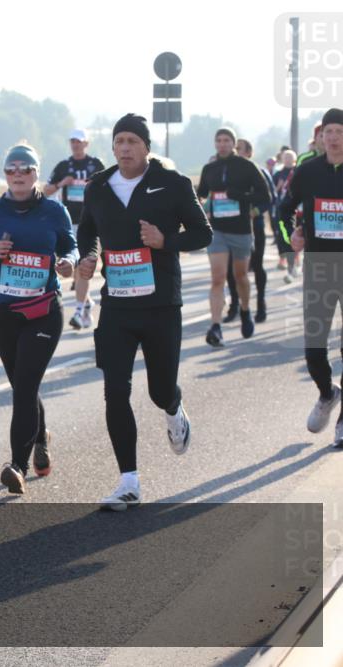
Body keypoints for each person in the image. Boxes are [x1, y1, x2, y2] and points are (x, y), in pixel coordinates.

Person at [77, 113, 212, 511]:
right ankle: (129, 481)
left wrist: (164, 240)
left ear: (147, 147)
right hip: (117, 306)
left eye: (133, 141)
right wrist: (88, 255)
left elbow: (203, 234)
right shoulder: (98, 186)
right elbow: (87, 228)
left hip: (160, 306)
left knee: (159, 390)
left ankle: (173, 409)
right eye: (119, 141)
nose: (124, 148)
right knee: (115, 390)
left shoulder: (172, 184)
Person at [0, 144, 76, 493]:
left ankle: (17, 466)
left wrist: (68, 260)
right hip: (6, 314)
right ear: (5, 174)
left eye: (26, 168)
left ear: (37, 172)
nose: (19, 174)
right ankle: (40, 437)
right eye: (12, 169)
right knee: (23, 386)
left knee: (24, 387)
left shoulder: (54, 211)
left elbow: (71, 245)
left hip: (44, 311)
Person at [279, 107, 343, 449]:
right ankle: (327, 392)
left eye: (339, 131)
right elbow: (282, 210)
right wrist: (292, 235)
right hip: (318, 267)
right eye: (328, 131)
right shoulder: (306, 172)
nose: (333, 137)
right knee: (313, 350)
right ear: (321, 137)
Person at [197, 127, 271, 347]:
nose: (222, 144)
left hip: (240, 231)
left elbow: (264, 196)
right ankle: (216, 326)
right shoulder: (209, 168)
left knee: (240, 277)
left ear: (233, 143)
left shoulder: (247, 167)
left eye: (226, 140)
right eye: (218, 140)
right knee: (218, 277)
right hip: (217, 230)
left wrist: (245, 200)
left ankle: (246, 310)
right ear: (215, 143)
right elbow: (200, 194)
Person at [43, 129, 107, 330]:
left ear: (86, 143)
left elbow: (109, 188)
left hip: (91, 223)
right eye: (73, 141)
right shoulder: (64, 166)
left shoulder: (96, 165)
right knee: (73, 268)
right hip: (70, 221)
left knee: (82, 266)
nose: (76, 145)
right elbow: (46, 191)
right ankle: (86, 303)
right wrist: (62, 183)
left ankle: (79, 311)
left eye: (79, 141)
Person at [222, 138, 273, 323]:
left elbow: (270, 198)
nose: (235, 152)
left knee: (257, 266)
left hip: (254, 226)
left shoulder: (257, 171)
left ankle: (260, 303)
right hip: (231, 227)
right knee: (230, 270)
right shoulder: (225, 172)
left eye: (239, 149)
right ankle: (235, 305)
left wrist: (254, 211)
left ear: (249, 153)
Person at [273, 149, 301, 278]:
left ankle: (295, 258)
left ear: (294, 159)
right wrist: (278, 187)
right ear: (282, 159)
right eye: (286, 157)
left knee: (297, 234)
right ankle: (285, 258)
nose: (288, 159)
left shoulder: (299, 172)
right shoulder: (278, 174)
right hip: (282, 210)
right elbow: (272, 192)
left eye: (290, 157)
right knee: (283, 235)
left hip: (298, 210)